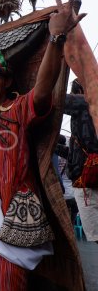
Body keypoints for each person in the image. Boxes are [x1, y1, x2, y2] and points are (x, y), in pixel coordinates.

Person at [0, 0, 85, 289]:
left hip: (15, 210)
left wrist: (56, 38)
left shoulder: (18, 109)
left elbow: (43, 89)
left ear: (8, 81)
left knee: (11, 279)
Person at [64, 79, 98, 240]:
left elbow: (52, 99)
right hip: (90, 179)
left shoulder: (85, 101)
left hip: (87, 183)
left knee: (96, 235)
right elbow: (76, 155)